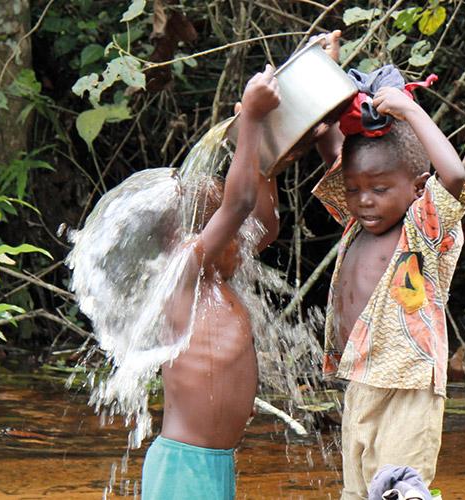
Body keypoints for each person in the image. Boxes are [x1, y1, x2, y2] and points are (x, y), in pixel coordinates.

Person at [141, 29, 344, 496]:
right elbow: (237, 207)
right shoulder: (184, 275)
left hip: (213, 463)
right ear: (190, 236)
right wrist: (250, 122)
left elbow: (263, 224)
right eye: (227, 229)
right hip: (183, 466)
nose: (240, 234)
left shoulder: (217, 277)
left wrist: (267, 145)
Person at [311, 67, 465, 500]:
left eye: (379, 189)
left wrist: (409, 110)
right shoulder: (355, 222)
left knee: (399, 491)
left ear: (419, 188)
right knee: (358, 491)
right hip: (362, 379)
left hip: (409, 386)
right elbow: (332, 153)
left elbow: (454, 178)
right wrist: (328, 81)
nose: (364, 199)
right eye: (355, 189)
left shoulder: (423, 228)